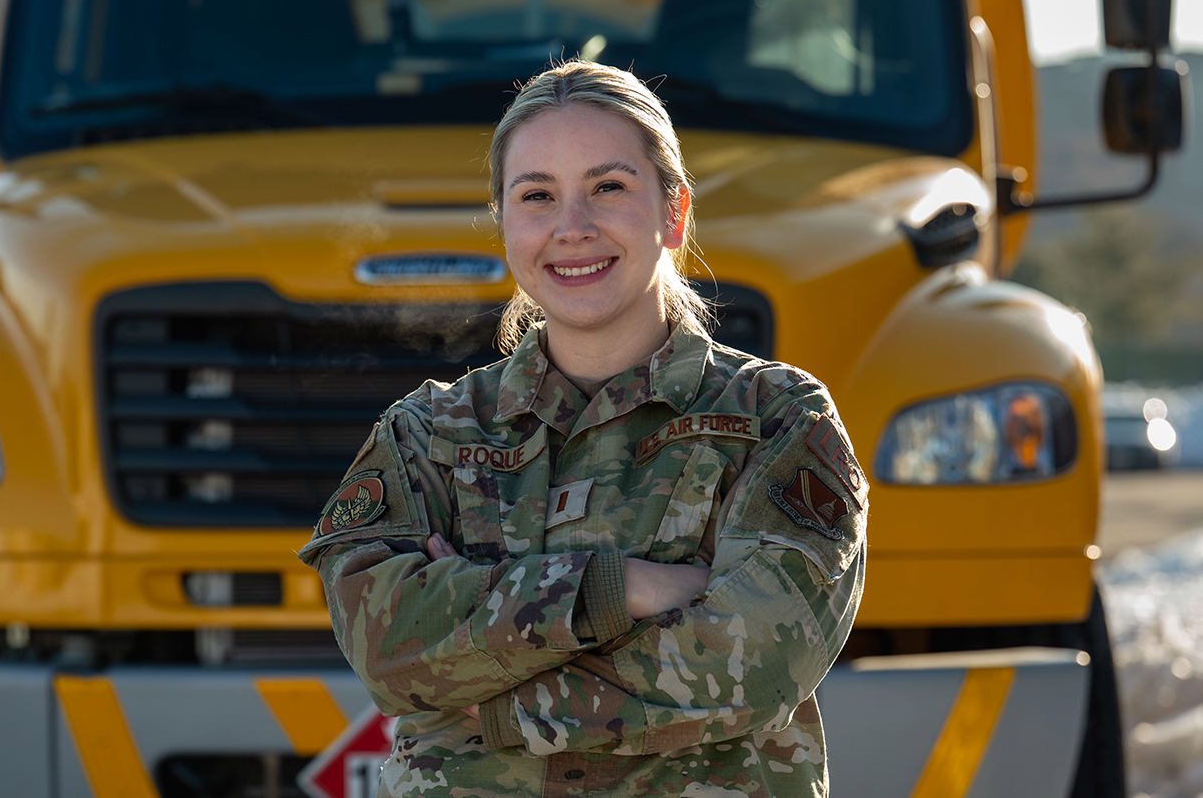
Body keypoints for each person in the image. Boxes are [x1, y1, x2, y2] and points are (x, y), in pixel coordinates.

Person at [299, 59, 866, 797]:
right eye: (537, 196)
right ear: (504, 223)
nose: (573, 228)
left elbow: (756, 660)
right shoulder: (425, 435)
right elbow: (387, 646)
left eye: (608, 187)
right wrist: (622, 588)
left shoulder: (779, 421)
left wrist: (491, 696)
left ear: (674, 212)